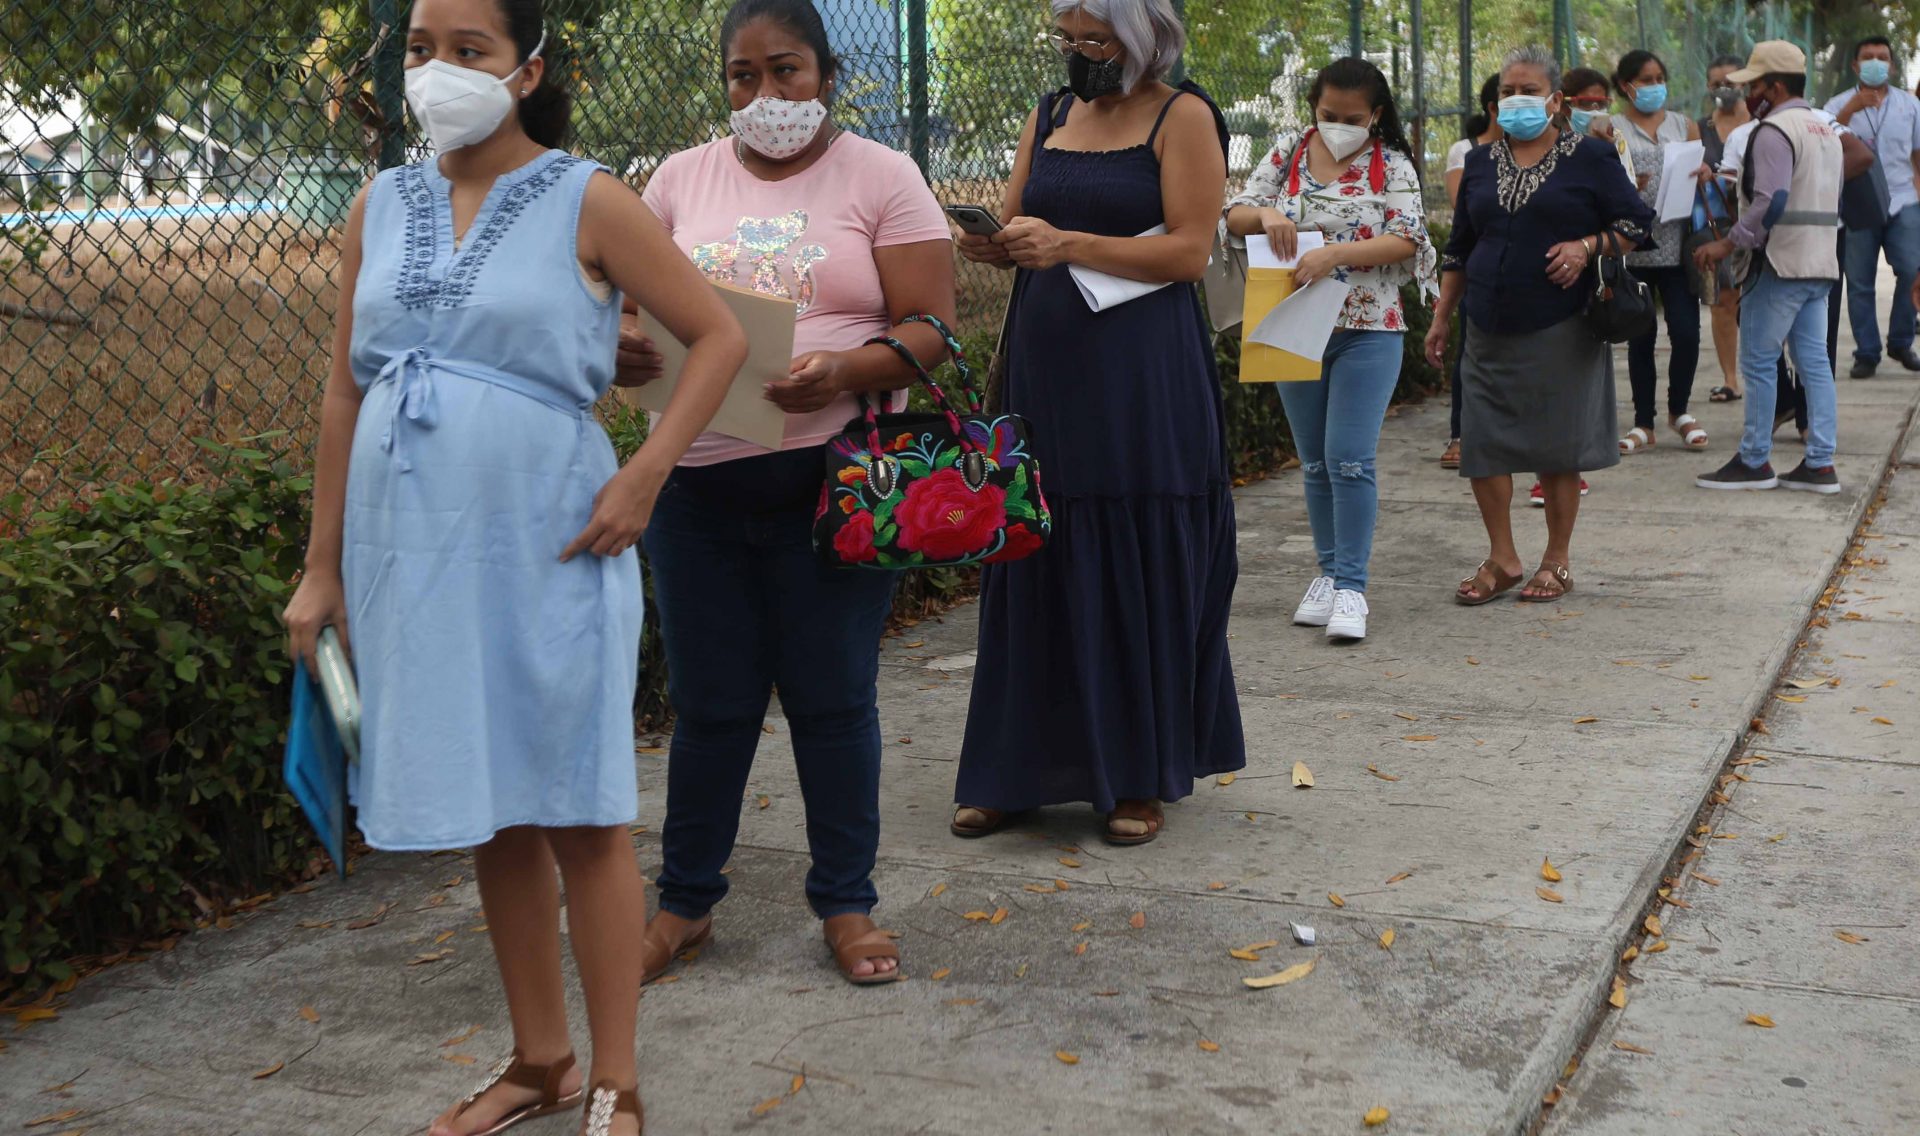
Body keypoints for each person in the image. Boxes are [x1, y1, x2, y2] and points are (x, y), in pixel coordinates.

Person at [281, 0, 749, 1132]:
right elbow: (347, 387)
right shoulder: (377, 205)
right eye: (421, 49)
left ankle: (617, 1078)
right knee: (494, 805)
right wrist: (320, 566)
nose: (438, 71)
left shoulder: (589, 196)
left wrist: (645, 476)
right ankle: (541, 1059)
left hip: (550, 532)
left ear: (527, 68)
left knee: (576, 802)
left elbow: (718, 337)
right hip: (412, 549)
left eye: (469, 50)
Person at [622, 0, 956, 989]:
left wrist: (847, 371)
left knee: (832, 697)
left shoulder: (883, 177)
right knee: (712, 702)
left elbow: (932, 324)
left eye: (787, 71)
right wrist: (626, 349)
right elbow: (631, 322)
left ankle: (846, 903)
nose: (765, 95)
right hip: (696, 493)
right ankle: (684, 900)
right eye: (742, 76)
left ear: (826, 76)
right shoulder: (678, 180)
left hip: (835, 485)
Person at [950, 0, 1244, 845]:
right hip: (1046, 375)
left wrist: (1070, 244)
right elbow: (1018, 224)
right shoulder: (1049, 113)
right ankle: (1014, 770)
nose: (1080, 55)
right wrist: (994, 245)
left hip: (1140, 375)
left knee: (1132, 550)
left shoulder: (1183, 116)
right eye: (1069, 40)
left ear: (1146, 35)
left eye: (1097, 40)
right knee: (1034, 540)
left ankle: (1137, 776)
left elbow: (1190, 250)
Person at [1425, 45, 1653, 605]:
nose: (1516, 101)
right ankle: (1503, 558)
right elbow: (1459, 247)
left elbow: (1635, 223)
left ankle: (1557, 559)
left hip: (1563, 323)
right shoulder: (1478, 162)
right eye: (1507, 91)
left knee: (1557, 449)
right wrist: (1441, 316)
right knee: (1482, 443)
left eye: (1528, 91)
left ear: (1555, 101)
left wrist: (1586, 245)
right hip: (1486, 322)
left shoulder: (1590, 158)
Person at [1226, 58, 1436, 642]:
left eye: (1352, 118)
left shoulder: (1390, 163)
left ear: (1375, 116)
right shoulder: (1288, 153)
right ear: (1312, 109)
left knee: (1350, 457)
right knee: (1314, 461)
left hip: (1369, 328)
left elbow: (1408, 240)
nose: (1338, 126)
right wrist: (1265, 213)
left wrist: (1334, 255)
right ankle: (1326, 574)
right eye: (1326, 115)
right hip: (1292, 325)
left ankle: (1352, 589)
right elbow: (1232, 214)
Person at [1694, 40, 1844, 494]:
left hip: (1778, 261)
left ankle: (1755, 459)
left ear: (1774, 87)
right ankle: (1820, 462)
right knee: (1814, 362)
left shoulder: (1773, 131)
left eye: (1753, 85)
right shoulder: (1823, 130)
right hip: (1819, 261)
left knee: (1758, 361)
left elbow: (1772, 199)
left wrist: (1729, 244)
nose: (1746, 94)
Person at [1610, 49, 1708, 456]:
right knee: (1640, 337)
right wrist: (1626, 187)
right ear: (1625, 86)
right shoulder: (1610, 127)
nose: (1653, 87)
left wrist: (1704, 174)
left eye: (1658, 78)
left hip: (1676, 245)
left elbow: (1701, 181)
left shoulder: (1684, 126)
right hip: (1634, 249)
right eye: (1644, 80)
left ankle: (1679, 411)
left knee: (1686, 332)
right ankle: (1643, 421)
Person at [1825, 36, 1920, 378]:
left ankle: (1901, 341)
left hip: (1904, 199)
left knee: (1912, 270)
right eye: (1868, 57)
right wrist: (1851, 109)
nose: (1876, 62)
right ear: (1855, 65)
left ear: (1892, 66)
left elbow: (1917, 155)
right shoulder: (1836, 105)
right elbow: (1825, 145)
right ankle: (1867, 352)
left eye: (1882, 57)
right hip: (1857, 203)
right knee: (1859, 281)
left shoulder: (1911, 106)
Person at [1437, 73, 1502, 469]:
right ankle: (1461, 433)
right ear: (1493, 107)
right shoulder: (1465, 151)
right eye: (1510, 95)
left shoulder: (1554, 150)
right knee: (1471, 353)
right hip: (1479, 269)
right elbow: (1467, 215)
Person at [1701, 54, 1750, 402]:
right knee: (1723, 300)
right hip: (1714, 226)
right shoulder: (1699, 129)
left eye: (1731, 82)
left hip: (1755, 222)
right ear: (1708, 87)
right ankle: (1730, 379)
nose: (1725, 89)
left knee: (1758, 301)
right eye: (1717, 83)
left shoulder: (1763, 124)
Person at [1562, 67, 1614, 140]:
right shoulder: (1550, 143)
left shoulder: (1616, 141)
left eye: (1601, 103)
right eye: (1587, 102)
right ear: (1564, 107)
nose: (1595, 110)